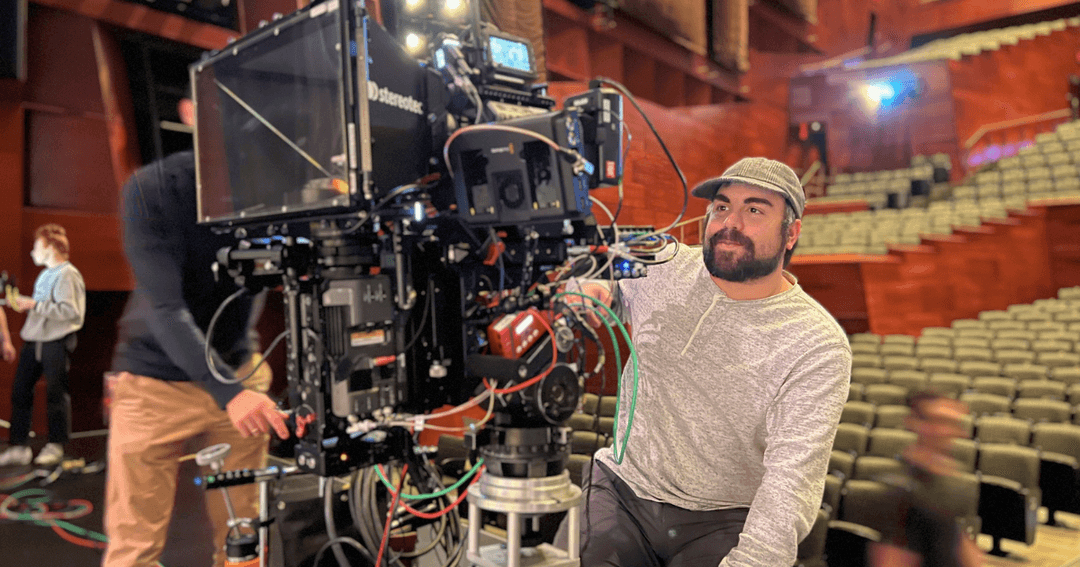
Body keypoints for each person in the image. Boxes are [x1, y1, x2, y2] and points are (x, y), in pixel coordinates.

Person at [567, 157, 852, 566]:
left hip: (723, 517)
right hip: (623, 489)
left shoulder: (817, 344)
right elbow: (591, 270)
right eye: (721, 207)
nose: (729, 222)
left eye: (754, 209)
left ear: (791, 233)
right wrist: (591, 284)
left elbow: (790, 483)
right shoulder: (663, 265)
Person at [102, 93, 290, 567]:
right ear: (190, 113)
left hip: (238, 372)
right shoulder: (154, 189)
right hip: (153, 385)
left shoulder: (274, 190)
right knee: (134, 547)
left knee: (244, 536)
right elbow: (167, 306)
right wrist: (230, 392)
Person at [0, 224, 86, 467]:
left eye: (36, 246)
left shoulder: (68, 274)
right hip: (34, 339)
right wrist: (23, 305)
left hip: (55, 342)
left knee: (56, 394)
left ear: (49, 247)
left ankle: (56, 445)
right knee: (20, 391)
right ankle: (18, 447)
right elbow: (42, 307)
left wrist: (34, 305)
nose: (32, 252)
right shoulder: (45, 274)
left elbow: (70, 311)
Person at [870, 391, 984, 567]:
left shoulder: (947, 479)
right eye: (941, 422)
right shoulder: (900, 489)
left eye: (954, 423)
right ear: (915, 424)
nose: (949, 431)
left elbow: (958, 541)